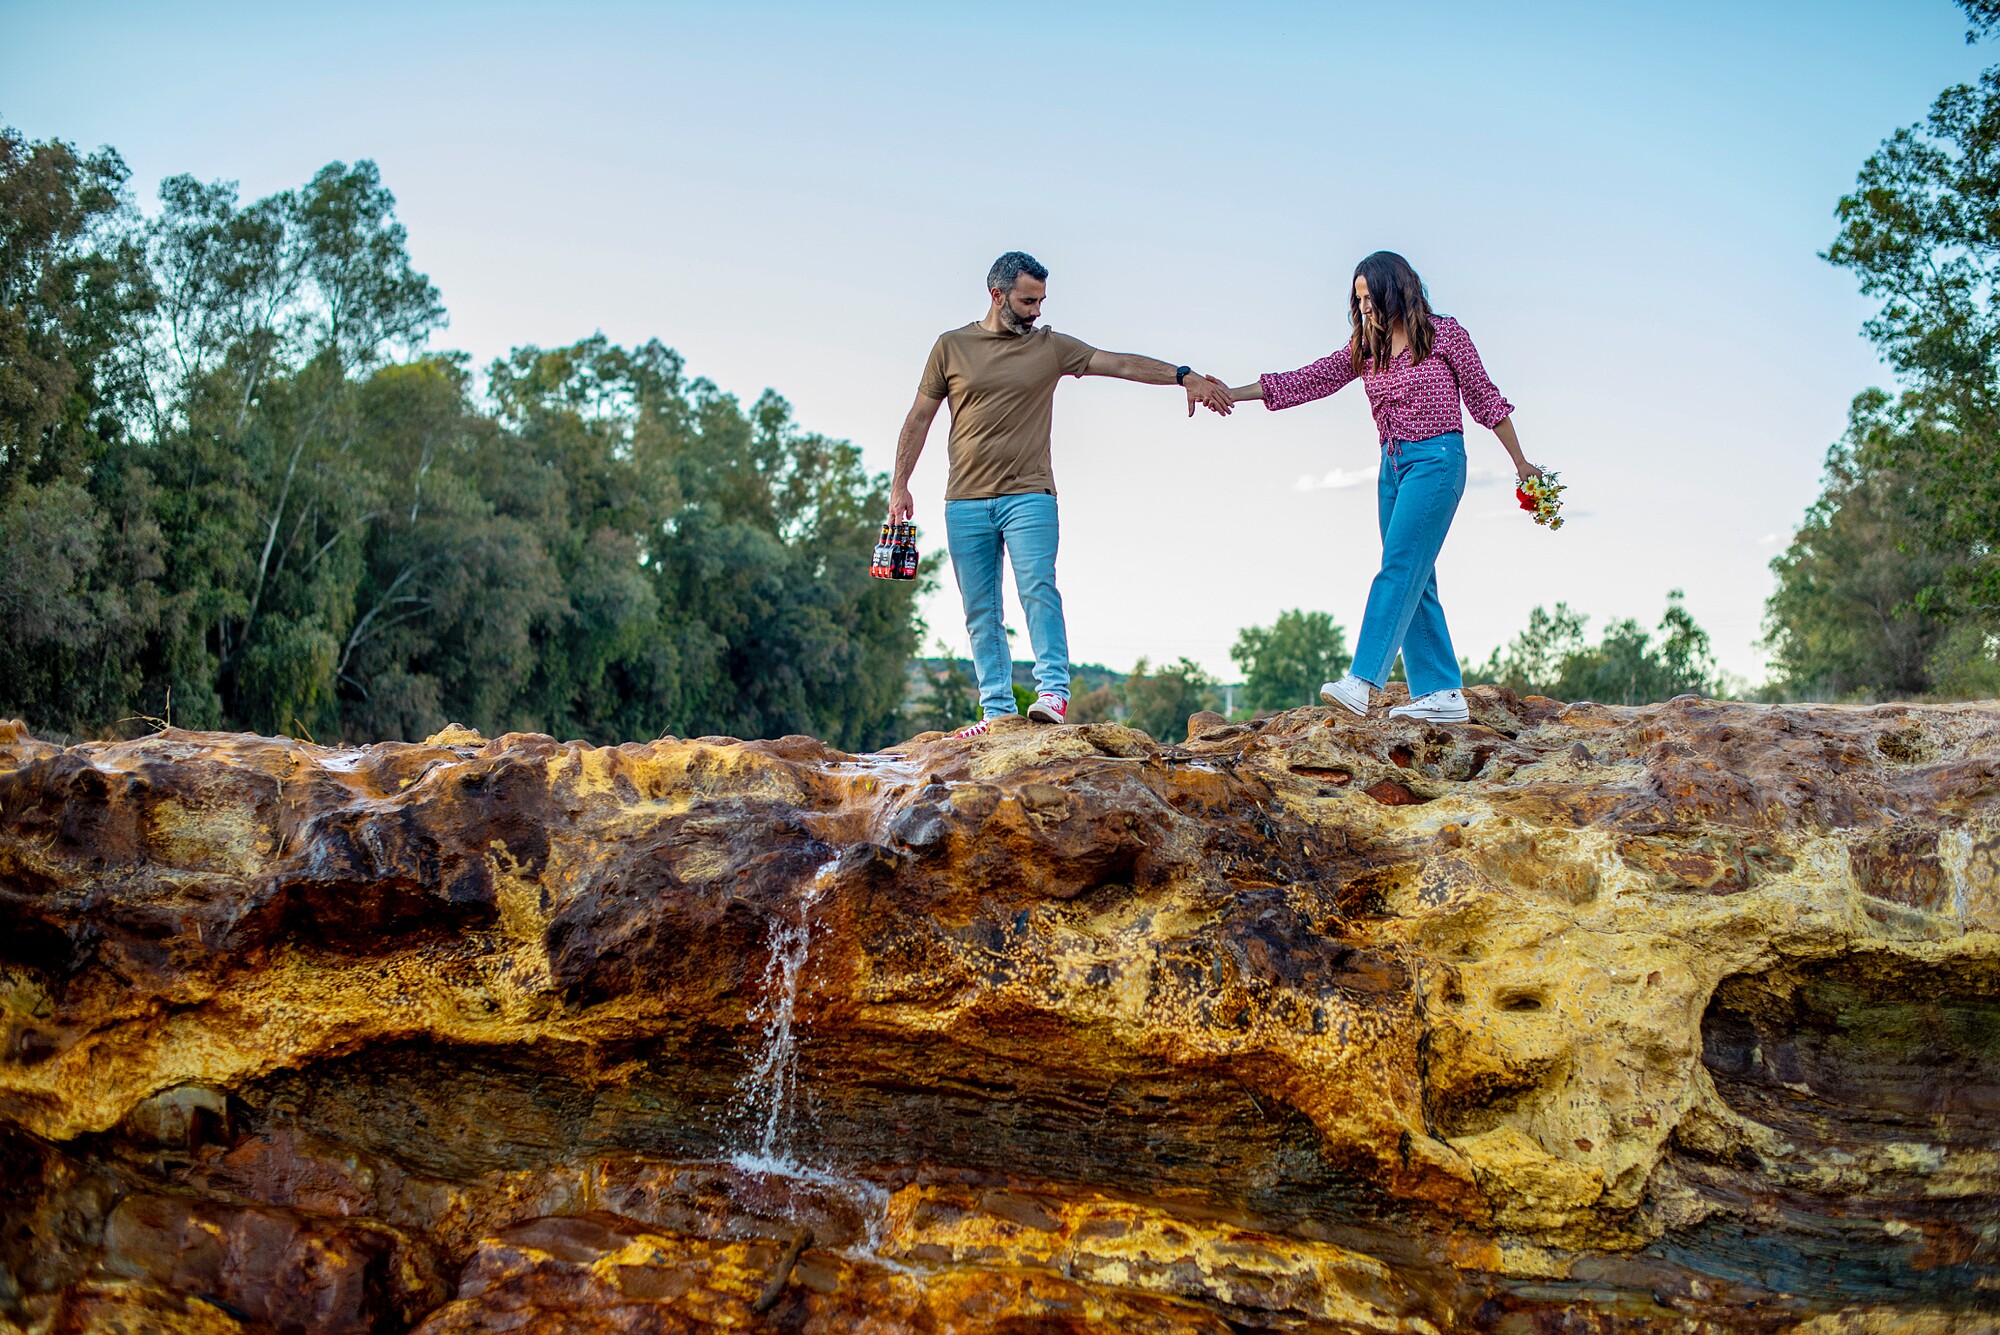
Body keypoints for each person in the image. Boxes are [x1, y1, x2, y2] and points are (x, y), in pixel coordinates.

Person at [891, 251, 1229, 738]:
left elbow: (1121, 363)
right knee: (980, 611)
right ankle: (997, 711)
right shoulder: (951, 346)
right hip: (964, 500)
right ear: (997, 295)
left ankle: (1053, 692)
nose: (1037, 310)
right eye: (1028, 300)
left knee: (1037, 589)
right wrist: (900, 484)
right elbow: (918, 417)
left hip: (1030, 495)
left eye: (1041, 300)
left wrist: (1183, 376)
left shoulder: (1051, 347)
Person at [1207, 251, 1540, 723]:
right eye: (1357, 299)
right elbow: (1311, 379)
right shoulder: (1370, 348)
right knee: (1413, 575)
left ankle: (1363, 681)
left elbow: (1486, 399)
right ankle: (1442, 692)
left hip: (1437, 459)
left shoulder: (1446, 335)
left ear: (1394, 290)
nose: (1363, 307)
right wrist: (1237, 394)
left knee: (1400, 567)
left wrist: (1522, 463)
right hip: (1393, 466)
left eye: (1369, 296)